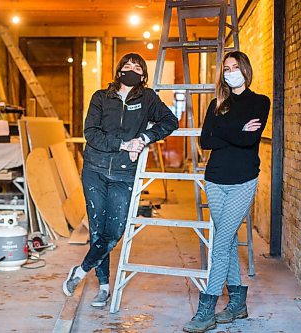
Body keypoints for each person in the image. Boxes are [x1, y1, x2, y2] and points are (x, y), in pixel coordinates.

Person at [63, 53, 179, 307]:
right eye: (127, 66)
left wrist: (145, 138)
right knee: (97, 229)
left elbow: (171, 121)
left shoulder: (148, 98)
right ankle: (103, 287)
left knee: (114, 231)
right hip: (95, 169)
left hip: (124, 174)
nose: (131, 69)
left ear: (143, 75)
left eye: (137, 67)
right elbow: (91, 133)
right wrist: (123, 144)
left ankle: (80, 271)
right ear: (118, 71)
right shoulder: (101, 97)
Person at [183, 51, 270, 333]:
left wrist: (224, 130)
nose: (230, 71)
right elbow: (205, 141)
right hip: (215, 180)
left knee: (219, 245)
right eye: (226, 68)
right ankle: (237, 302)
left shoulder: (260, 102)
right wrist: (235, 129)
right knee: (228, 241)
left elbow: (249, 139)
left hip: (243, 180)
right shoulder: (217, 104)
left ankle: (205, 310)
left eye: (235, 67)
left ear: (245, 70)